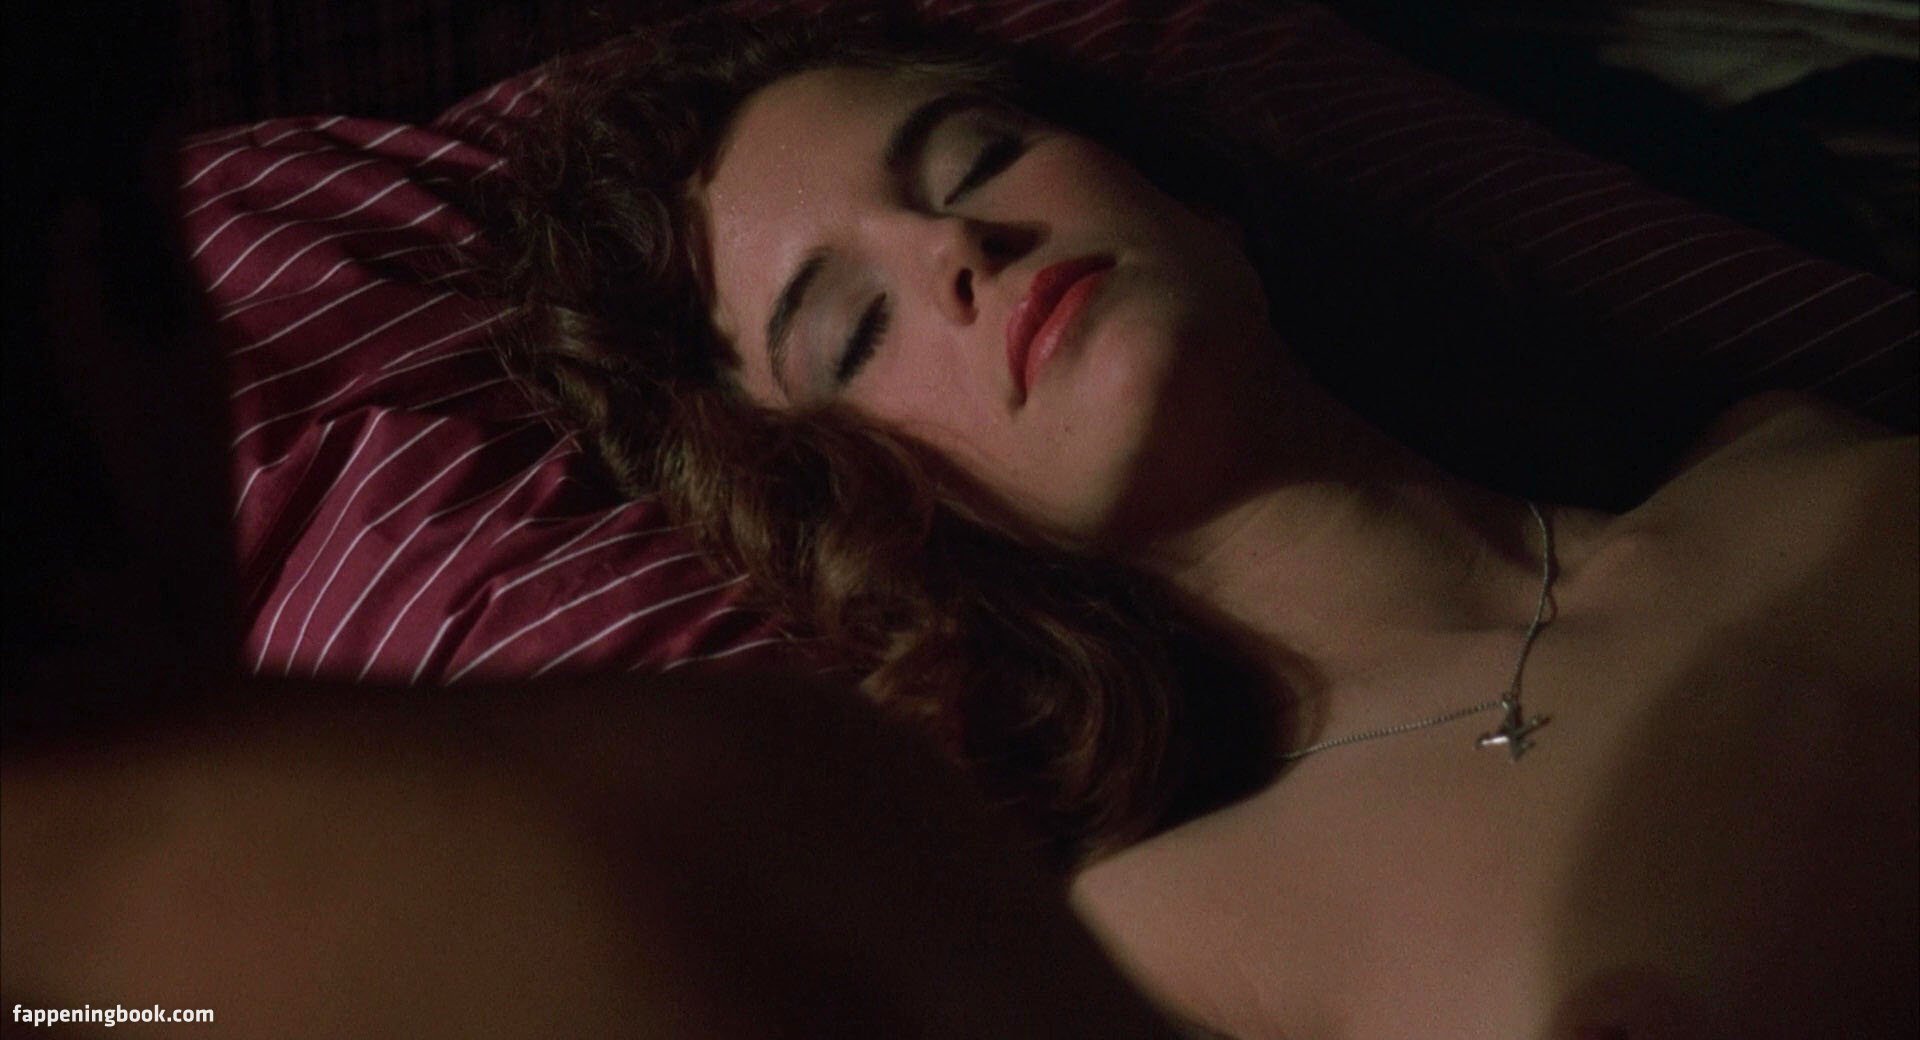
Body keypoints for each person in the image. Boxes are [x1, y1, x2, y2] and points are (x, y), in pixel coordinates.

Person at [489, 7, 1917, 1039]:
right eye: (854, 328)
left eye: (975, 161)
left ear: (1188, 193)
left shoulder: (1790, 463)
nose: (955, 248)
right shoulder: (1164, 941)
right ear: (873, 501)